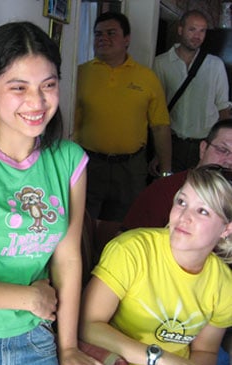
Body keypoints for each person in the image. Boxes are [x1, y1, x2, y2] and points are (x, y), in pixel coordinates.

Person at [0, 21, 107, 365]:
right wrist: (29, 298)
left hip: (36, 344)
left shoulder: (69, 161)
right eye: (18, 88)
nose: (37, 103)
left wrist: (67, 348)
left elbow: (67, 259)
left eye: (48, 85)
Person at [80, 165, 232, 365]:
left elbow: (205, 349)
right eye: (182, 202)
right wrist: (161, 358)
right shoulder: (132, 250)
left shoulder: (224, 283)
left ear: (226, 229)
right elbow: (87, 325)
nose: (184, 217)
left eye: (203, 211)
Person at [74, 11, 171, 223]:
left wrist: (165, 171)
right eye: (98, 33)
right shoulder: (79, 73)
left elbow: (160, 126)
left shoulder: (147, 77)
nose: (103, 38)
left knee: (125, 223)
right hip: (89, 163)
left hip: (131, 167)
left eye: (111, 33)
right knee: (81, 222)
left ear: (127, 39)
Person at [153, 9, 230, 172]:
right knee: (170, 191)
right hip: (173, 144)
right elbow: (157, 112)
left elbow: (223, 109)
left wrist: (223, 149)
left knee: (204, 193)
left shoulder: (215, 65)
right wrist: (158, 153)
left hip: (205, 145)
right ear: (180, 30)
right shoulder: (161, 63)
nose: (197, 35)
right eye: (192, 29)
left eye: (202, 30)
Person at [122, 118, 232, 231]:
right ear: (203, 149)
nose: (229, 161)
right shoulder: (164, 191)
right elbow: (128, 240)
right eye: (223, 150)